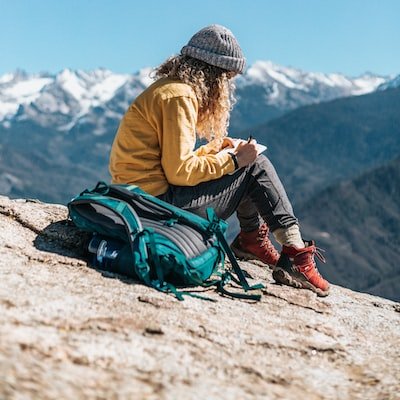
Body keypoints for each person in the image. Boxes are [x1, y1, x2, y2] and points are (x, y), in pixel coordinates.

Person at [109, 25, 329, 297]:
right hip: (156, 207)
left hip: (139, 199)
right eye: (227, 78)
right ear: (213, 74)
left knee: (247, 162)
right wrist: (234, 162)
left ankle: (251, 240)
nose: (226, 87)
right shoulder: (180, 97)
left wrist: (216, 151)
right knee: (255, 165)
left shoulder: (168, 90)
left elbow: (168, 161)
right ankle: (295, 254)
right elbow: (179, 172)